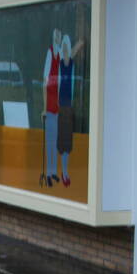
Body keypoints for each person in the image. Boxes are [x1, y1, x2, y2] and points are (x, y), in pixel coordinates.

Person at [56, 34, 84, 188]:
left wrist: (80, 41)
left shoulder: (69, 62)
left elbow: (77, 46)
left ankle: (65, 172)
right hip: (62, 106)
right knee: (63, 142)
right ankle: (63, 171)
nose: (66, 52)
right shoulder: (61, 62)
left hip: (67, 107)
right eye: (64, 49)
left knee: (66, 143)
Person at [41, 29, 62, 188]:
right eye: (56, 36)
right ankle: (48, 174)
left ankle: (53, 172)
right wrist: (43, 107)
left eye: (59, 37)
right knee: (49, 141)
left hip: (57, 105)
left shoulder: (60, 53)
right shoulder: (50, 53)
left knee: (55, 141)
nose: (58, 39)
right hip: (49, 105)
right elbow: (45, 81)